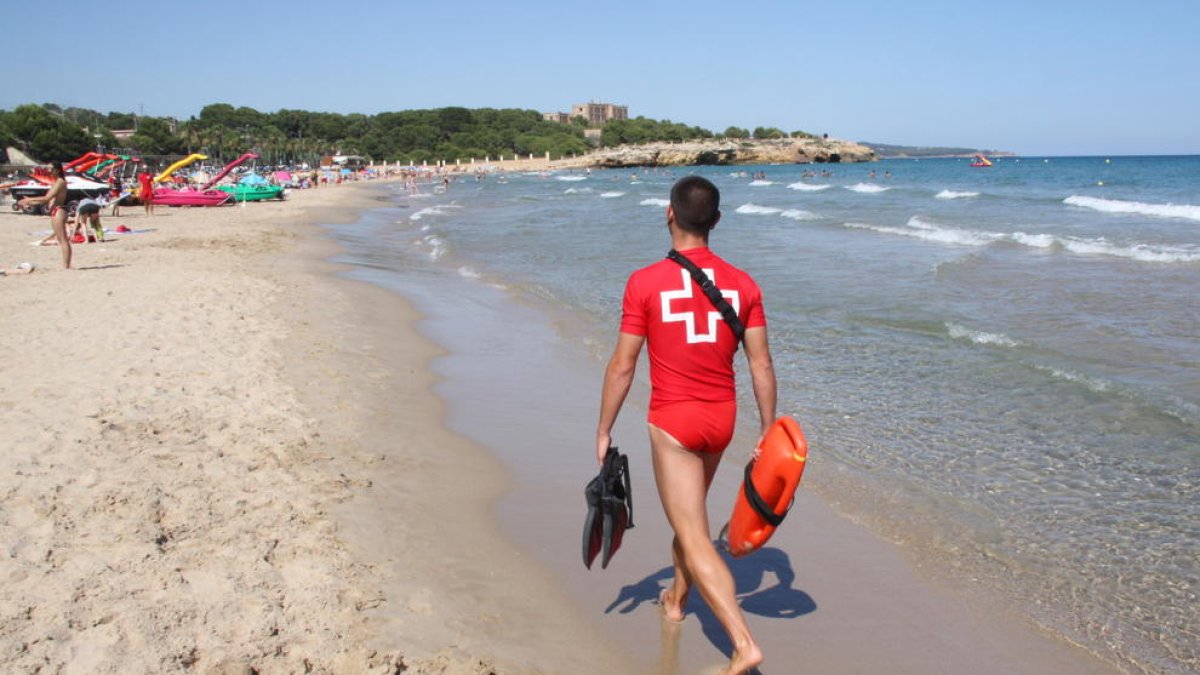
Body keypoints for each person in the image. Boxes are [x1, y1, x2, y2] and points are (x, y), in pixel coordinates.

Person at [596, 175, 776, 675]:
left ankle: (743, 644)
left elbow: (623, 366)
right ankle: (676, 599)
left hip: (674, 422)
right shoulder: (744, 284)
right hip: (721, 420)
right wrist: (768, 429)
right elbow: (761, 365)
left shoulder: (644, 282)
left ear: (668, 214)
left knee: (694, 535)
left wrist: (604, 427)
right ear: (716, 221)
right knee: (690, 520)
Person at [18, 162, 72, 269]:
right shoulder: (56, 182)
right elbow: (46, 201)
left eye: (50, 169)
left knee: (63, 240)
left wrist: (29, 199)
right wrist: (28, 202)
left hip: (59, 211)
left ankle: (66, 267)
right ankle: (66, 266)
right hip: (56, 211)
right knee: (61, 240)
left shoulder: (60, 182)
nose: (48, 171)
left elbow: (47, 198)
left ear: (57, 170)